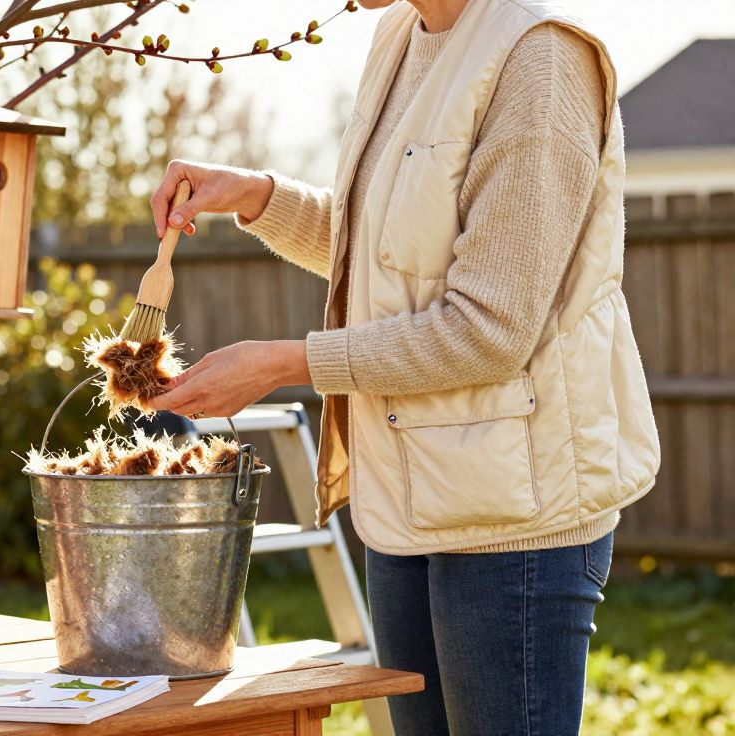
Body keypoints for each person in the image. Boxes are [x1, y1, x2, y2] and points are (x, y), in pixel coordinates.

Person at [145, 0, 661, 733]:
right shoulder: (400, 39)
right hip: (405, 507)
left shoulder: (541, 60)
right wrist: (259, 197)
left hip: (514, 524)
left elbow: (489, 327)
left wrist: (291, 363)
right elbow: (393, 262)